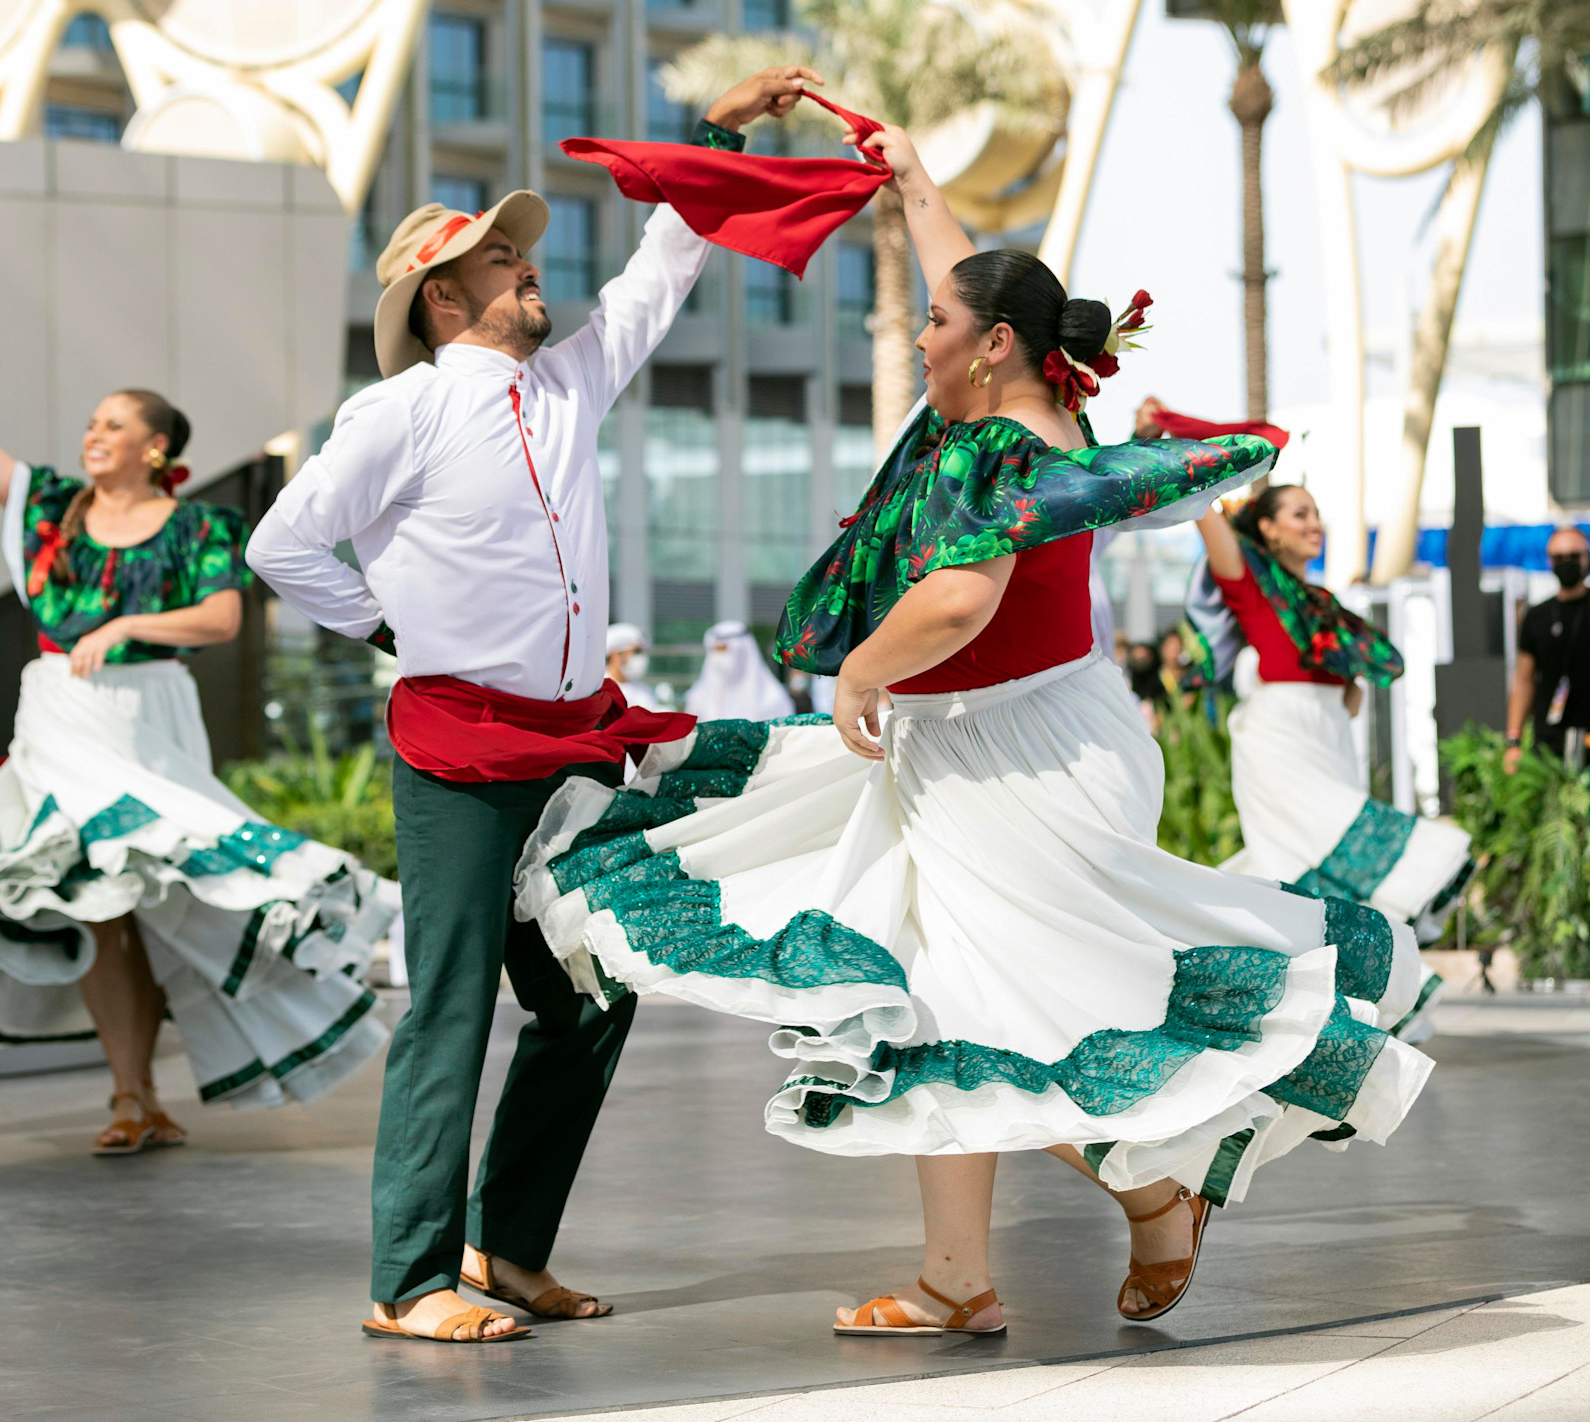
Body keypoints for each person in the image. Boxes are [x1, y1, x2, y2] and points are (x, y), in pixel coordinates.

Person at [519, 115, 1434, 1337]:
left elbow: (957, 598)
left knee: (1018, 1009)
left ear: (991, 349)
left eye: (934, 326)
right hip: (1010, 737)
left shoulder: (988, 448)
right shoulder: (1038, 411)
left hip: (1005, 755)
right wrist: (906, 178)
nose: (917, 333)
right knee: (935, 999)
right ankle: (958, 1276)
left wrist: (858, 677)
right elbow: (977, 284)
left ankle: (1155, 1188)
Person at [247, 66, 818, 1345]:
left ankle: (504, 1253)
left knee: (585, 1000)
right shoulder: (399, 408)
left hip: (575, 748)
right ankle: (407, 1283)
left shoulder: (564, 383)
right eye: (499, 260)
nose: (524, 270)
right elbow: (281, 545)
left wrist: (715, 134)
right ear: (443, 297)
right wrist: (387, 628)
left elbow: (661, 269)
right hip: (460, 749)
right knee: (450, 1005)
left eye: (519, 254)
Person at [0, 327, 395, 1155]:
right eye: (90, 423)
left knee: (173, 889)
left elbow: (222, 619)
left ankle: (164, 1078)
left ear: (155, 447)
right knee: (96, 901)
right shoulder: (53, 510)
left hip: (149, 718)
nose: (93, 434)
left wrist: (126, 622)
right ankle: (131, 1094)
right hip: (60, 717)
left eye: (113, 424)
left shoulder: (202, 527)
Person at [1191, 485, 1473, 955]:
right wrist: (1168, 439)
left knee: (1290, 864)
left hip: (1328, 735)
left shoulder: (1320, 601)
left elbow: (1358, 680)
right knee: (1326, 834)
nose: (1313, 524)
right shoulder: (1250, 580)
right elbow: (1201, 508)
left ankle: (1287, 968)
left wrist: (1348, 683)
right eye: (1299, 514)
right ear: (1268, 527)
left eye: (1316, 514)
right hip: (1278, 735)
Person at [1506, 526, 1590, 771]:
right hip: (1550, 741)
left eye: (1574, 556)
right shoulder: (1537, 616)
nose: (1567, 563)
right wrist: (1514, 741)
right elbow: (1523, 680)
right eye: (1559, 557)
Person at [683, 620, 795, 721]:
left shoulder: (773, 699)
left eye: (724, 649)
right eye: (716, 650)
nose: (719, 658)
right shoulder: (697, 697)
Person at [605, 623, 663, 710]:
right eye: (636, 652)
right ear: (615, 654)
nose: (641, 658)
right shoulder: (601, 689)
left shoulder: (644, 691)